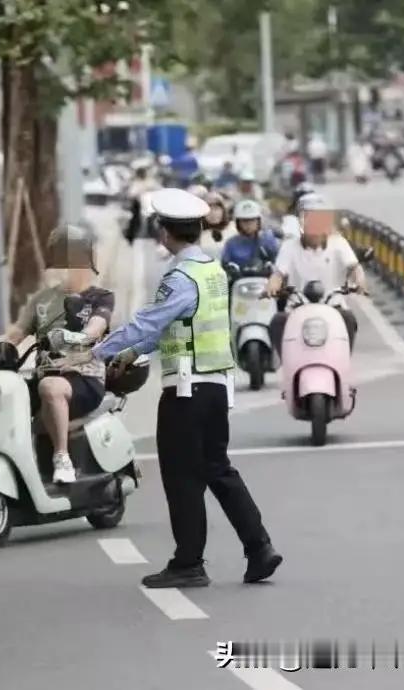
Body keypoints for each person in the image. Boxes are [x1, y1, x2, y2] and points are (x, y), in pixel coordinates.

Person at [92, 188, 282, 589]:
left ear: (165, 233)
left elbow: (148, 323)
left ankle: (188, 562)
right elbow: (175, 330)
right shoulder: (212, 270)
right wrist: (130, 354)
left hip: (185, 390)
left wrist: (97, 351)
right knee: (218, 468)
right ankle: (259, 547)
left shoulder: (178, 277)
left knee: (181, 477)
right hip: (216, 385)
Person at [0, 225, 114, 483]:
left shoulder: (101, 297)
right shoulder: (41, 299)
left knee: (51, 387)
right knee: (3, 396)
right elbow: (16, 332)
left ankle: (62, 458)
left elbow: (97, 327)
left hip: (84, 377)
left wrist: (78, 337)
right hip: (44, 375)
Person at [266, 195, 366, 354]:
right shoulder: (289, 246)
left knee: (348, 318)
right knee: (278, 321)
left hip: (333, 306)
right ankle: (288, 364)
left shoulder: (338, 243)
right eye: (309, 217)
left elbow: (355, 267)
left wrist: (359, 281)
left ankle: (343, 360)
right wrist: (273, 284)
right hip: (297, 307)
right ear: (300, 221)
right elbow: (278, 273)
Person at [222, 200, 280, 270]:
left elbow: (279, 263)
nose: (248, 224)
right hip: (239, 279)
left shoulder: (268, 239)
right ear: (238, 223)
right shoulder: (231, 243)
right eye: (244, 220)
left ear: (259, 221)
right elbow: (224, 265)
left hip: (266, 279)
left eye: (252, 220)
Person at [197, 190, 233, 259]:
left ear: (223, 210)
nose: (213, 213)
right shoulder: (197, 234)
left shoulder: (233, 228)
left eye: (216, 208)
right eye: (209, 209)